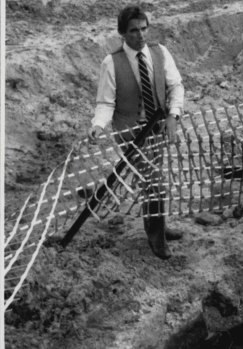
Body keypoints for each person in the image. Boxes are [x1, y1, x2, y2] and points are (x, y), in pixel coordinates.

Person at [88, 5, 184, 260]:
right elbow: (106, 103)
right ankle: (156, 239)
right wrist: (98, 126)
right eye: (133, 31)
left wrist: (173, 116)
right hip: (130, 132)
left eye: (143, 29)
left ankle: (159, 226)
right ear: (122, 33)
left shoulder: (160, 52)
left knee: (155, 179)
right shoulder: (112, 62)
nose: (140, 35)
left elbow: (176, 86)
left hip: (157, 128)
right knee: (154, 181)